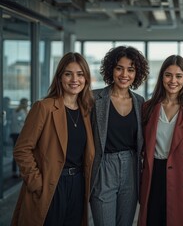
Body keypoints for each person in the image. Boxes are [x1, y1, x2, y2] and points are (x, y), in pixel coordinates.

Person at [11, 52, 95, 226]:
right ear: (59, 77)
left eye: (80, 74)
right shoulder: (44, 107)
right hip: (51, 183)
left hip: (78, 184)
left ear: (86, 78)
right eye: (68, 74)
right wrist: (36, 182)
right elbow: (22, 149)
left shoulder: (86, 111)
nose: (74, 79)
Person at [138, 55, 183, 226]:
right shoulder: (148, 107)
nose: (173, 80)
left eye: (179, 76)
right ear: (162, 77)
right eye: (168, 75)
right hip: (155, 172)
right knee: (153, 219)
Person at [89, 46, 149, 226]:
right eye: (119, 68)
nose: (124, 74)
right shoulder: (94, 99)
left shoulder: (140, 102)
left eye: (130, 70)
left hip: (131, 167)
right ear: (111, 70)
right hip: (103, 167)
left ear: (136, 73)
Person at [10, 98, 29, 178]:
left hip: (14, 133)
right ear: (24, 104)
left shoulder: (15, 111)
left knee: (16, 152)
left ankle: (15, 171)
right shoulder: (21, 112)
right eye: (27, 103)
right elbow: (23, 122)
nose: (27, 104)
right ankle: (19, 172)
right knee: (21, 153)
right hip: (19, 134)